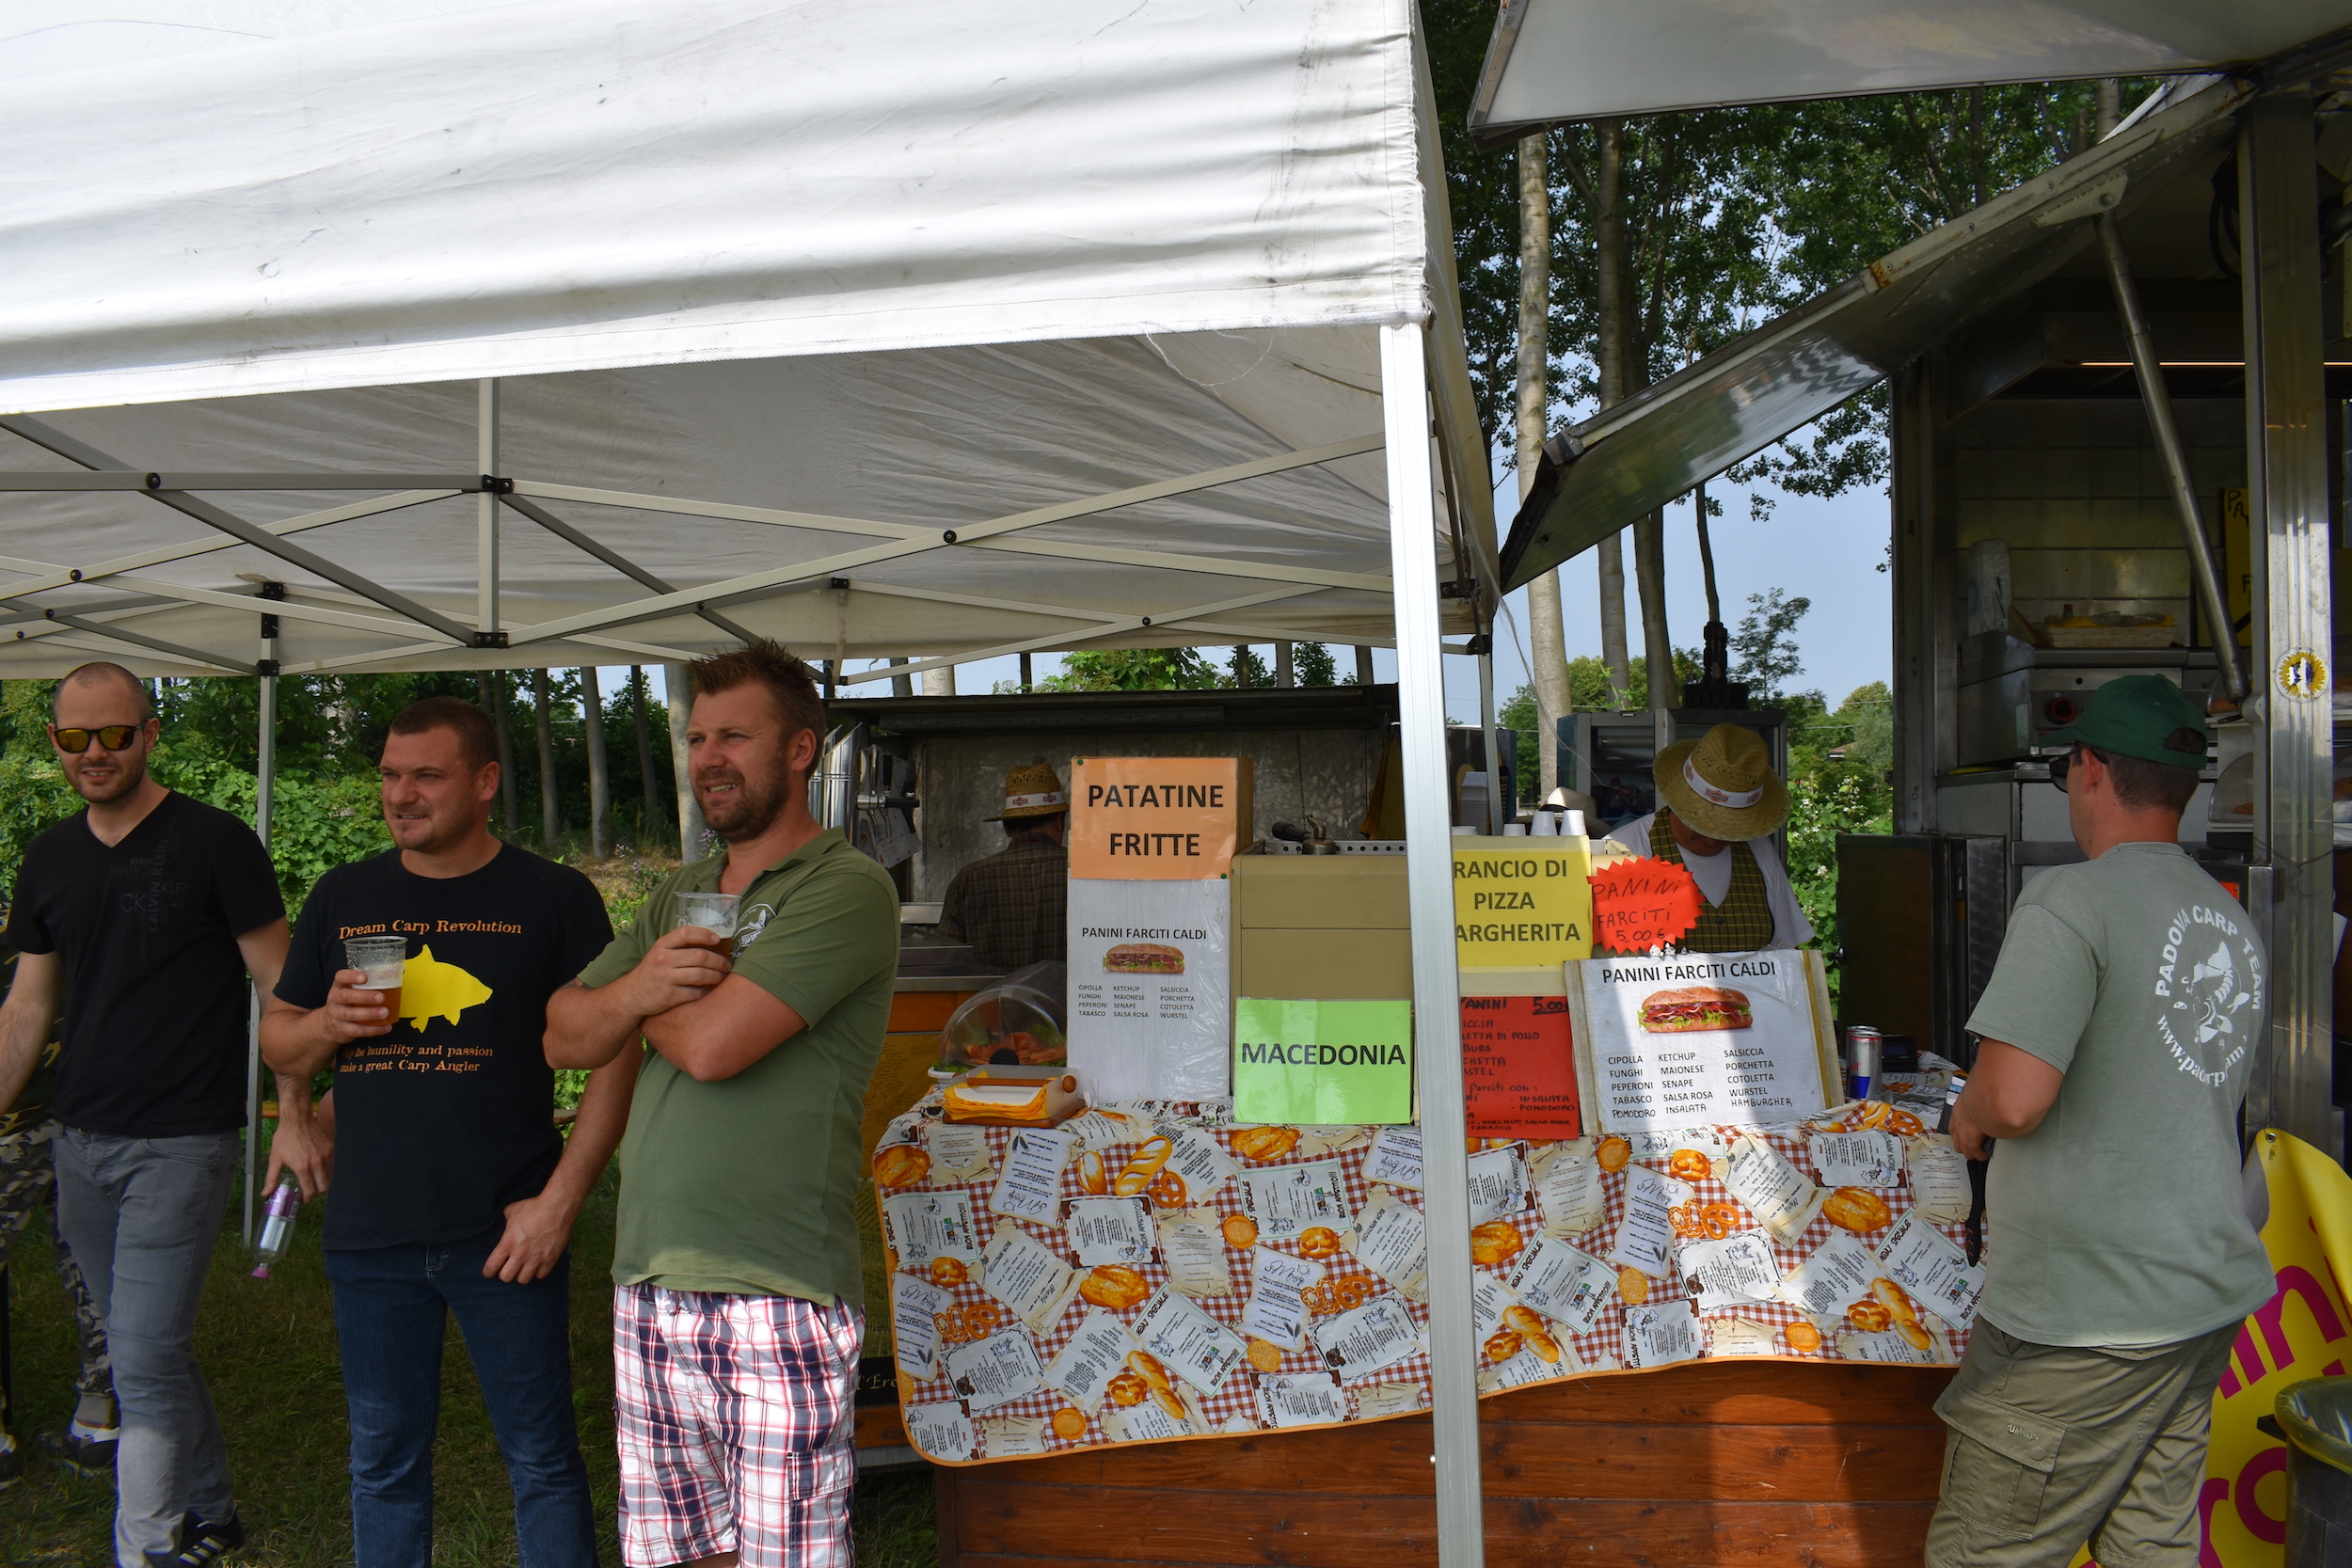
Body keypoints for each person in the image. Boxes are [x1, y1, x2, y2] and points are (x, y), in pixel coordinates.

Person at [546, 641, 898, 1568]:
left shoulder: (846, 885)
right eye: (698, 737)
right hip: (650, 1273)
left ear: (800, 749)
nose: (709, 757)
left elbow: (711, 1048)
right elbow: (561, 1033)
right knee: (679, 1551)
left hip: (778, 1284)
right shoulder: (681, 890)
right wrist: (643, 991)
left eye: (734, 736)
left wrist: (634, 999)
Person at [261, 696, 623, 1568]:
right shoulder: (344, 894)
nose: (401, 793)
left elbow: (618, 1054)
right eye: (390, 774)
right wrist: (326, 1030)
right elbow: (279, 1036)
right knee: (383, 1464)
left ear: (486, 780)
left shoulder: (555, 896)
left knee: (542, 1459)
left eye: (426, 774)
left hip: (506, 1231)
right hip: (371, 1228)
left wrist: (561, 1203)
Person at [1930, 675, 2270, 1568]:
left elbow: (2013, 1098)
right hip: (2197, 1299)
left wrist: (1968, 1112)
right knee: (2150, 1546)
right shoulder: (2228, 918)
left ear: (2088, 768)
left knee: (1983, 1553)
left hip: (2084, 1320)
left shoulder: (2070, 900)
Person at [0, 661, 290, 1567]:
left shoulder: (216, 842)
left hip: (182, 1141)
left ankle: (148, 1547)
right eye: (74, 736)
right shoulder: (48, 856)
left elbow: (281, 990)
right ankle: (214, 1512)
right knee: (146, 1345)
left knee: (143, 1355)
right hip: (78, 1139)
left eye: (115, 734)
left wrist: (299, 1111)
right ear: (55, 741)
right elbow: (25, 1008)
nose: (94, 752)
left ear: (151, 733)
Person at [0, 903, 114, 1486]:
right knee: (92, 1266)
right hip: (79, 1108)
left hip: (15, 1120)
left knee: (92, 1263)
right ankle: (99, 1424)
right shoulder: (39, 914)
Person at [1602, 722, 1812, 951]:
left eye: (1731, 831)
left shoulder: (1759, 851)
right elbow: (1606, 962)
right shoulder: (1622, 852)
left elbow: (1786, 952)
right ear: (1679, 804)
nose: (1713, 840)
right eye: (1703, 827)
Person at [934, 762, 1068, 970]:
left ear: (1007, 828)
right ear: (1060, 821)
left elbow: (946, 963)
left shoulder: (969, 879)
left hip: (989, 992)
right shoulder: (1085, 872)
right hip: (1070, 993)